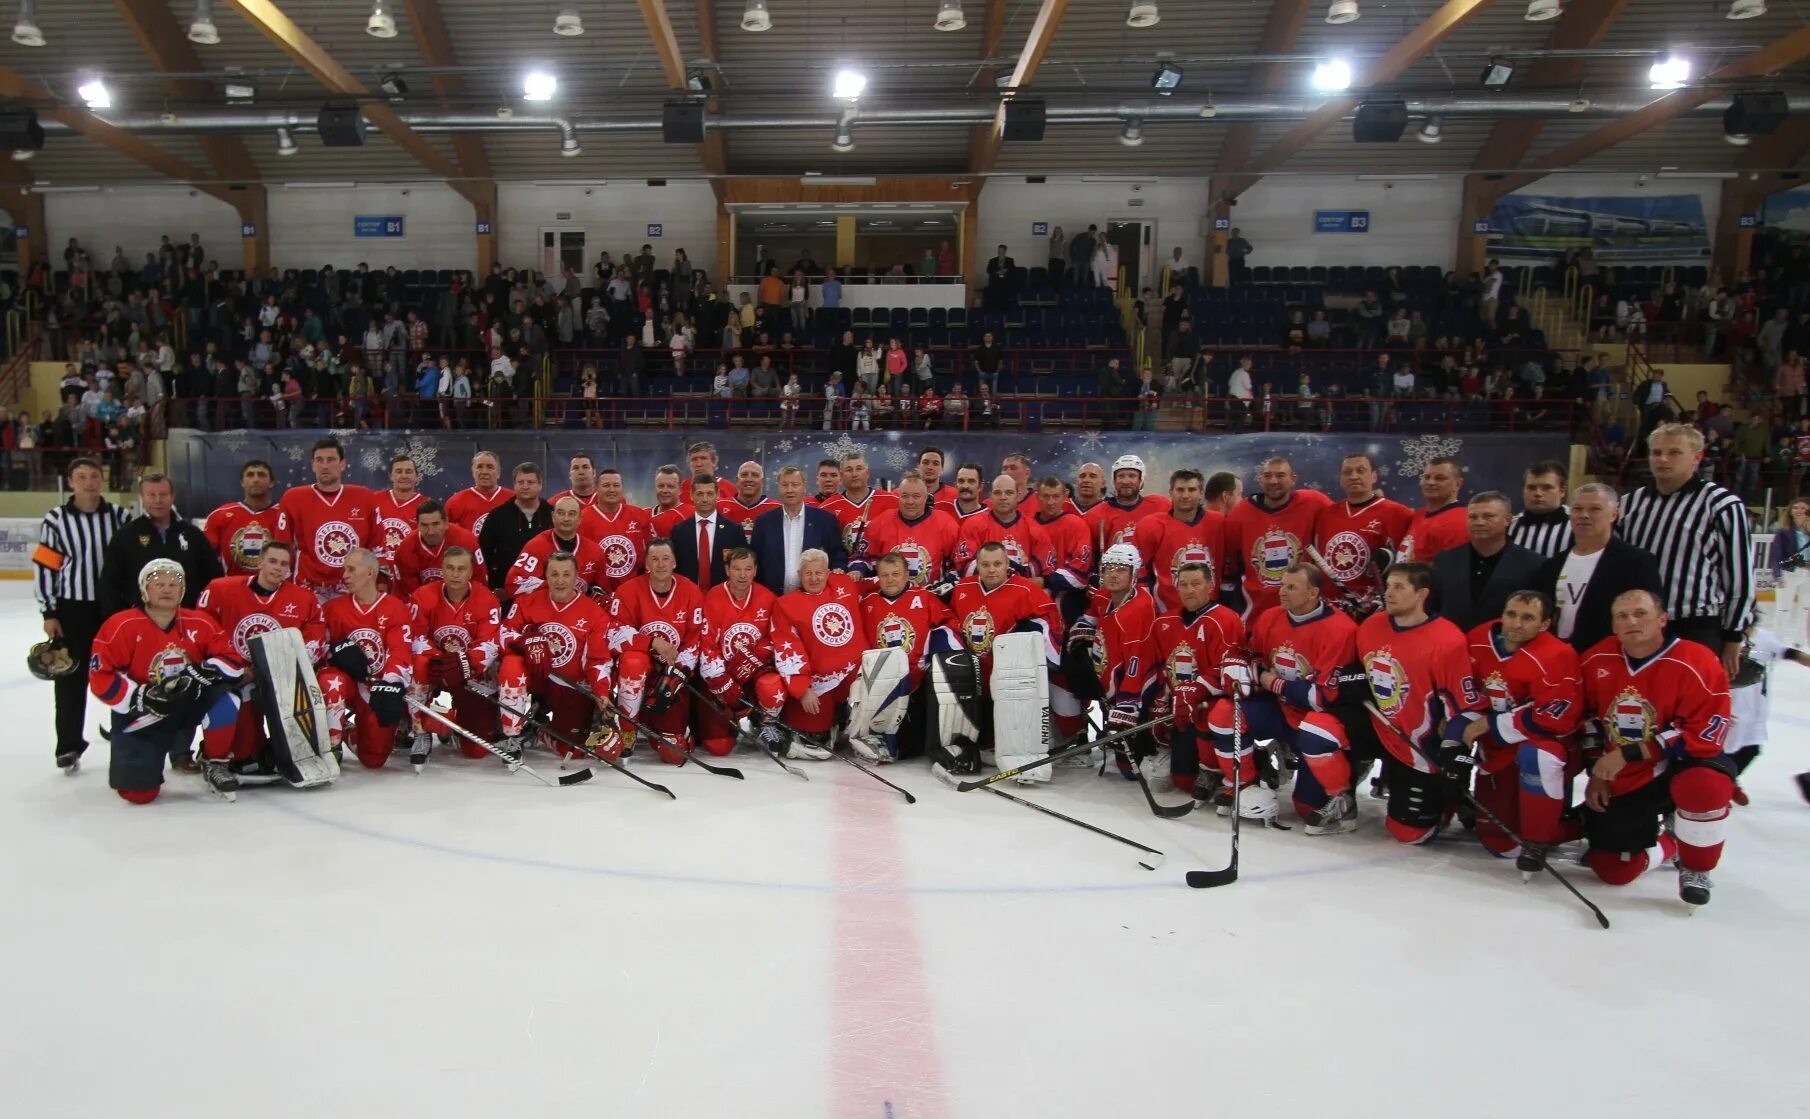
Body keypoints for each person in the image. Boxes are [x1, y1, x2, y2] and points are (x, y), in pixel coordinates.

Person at [1577, 589, 1734, 908]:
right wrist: (1597, 769)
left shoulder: (1697, 660)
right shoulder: (1596, 658)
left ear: (1662, 619)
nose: (1631, 621)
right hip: (1626, 772)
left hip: (1684, 761)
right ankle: (1672, 841)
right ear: (1613, 626)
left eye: (1640, 613)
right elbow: (1587, 717)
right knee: (1612, 870)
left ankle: (1696, 866)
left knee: (1703, 786)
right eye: (1622, 616)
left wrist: (1628, 753)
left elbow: (1704, 731)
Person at [88, 558, 247, 803]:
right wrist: (140, 697)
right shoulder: (121, 625)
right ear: (144, 590)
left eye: (174, 584)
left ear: (182, 591)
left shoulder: (200, 621)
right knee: (138, 794)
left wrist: (199, 674)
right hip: (142, 712)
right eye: (159, 583)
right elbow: (100, 675)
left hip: (187, 702)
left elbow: (233, 660)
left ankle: (215, 762)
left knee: (226, 698)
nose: (167, 589)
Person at [1356, 562, 1483, 845]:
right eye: (1388, 586)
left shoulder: (1447, 640)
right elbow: (1356, 671)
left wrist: (1455, 751)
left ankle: (1446, 800)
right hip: (1378, 726)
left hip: (1417, 745)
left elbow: (1463, 706)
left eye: (1399, 587)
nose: (1389, 593)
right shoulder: (1371, 626)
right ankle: (1337, 791)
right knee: (1323, 727)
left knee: (1410, 834)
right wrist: (1352, 681)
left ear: (1421, 594)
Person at [1616, 423, 1753, 677]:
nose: (1663, 459)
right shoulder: (1629, 504)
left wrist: (1734, 636)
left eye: (1674, 452)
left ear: (1696, 457)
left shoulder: (1722, 505)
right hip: (1637, 626)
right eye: (1656, 453)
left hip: (1694, 627)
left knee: (1693, 709)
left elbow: (1739, 577)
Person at [1459, 591, 1584, 869]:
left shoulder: (1558, 655)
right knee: (1498, 839)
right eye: (1511, 614)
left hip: (1545, 743)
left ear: (1544, 624)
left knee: (1537, 756)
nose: (1516, 623)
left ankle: (1553, 834)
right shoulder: (1478, 639)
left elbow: (1555, 716)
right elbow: (1462, 686)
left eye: (1527, 618)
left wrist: (1489, 723)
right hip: (1496, 748)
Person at [1244, 564, 1364, 833]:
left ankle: (1342, 787)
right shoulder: (1270, 617)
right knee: (1227, 713)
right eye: (1282, 585)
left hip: (1317, 723)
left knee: (1305, 809)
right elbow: (1253, 661)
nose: (1282, 592)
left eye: (1291, 587)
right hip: (1280, 710)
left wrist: (1272, 681)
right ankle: (1246, 782)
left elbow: (1319, 698)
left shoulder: (1340, 630)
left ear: (1313, 593)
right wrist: (1256, 673)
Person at [195, 540, 328, 772]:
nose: (278, 568)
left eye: (284, 564)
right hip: (238, 677)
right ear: (260, 562)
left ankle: (291, 750)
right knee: (244, 754)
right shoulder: (220, 589)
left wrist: (289, 666)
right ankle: (219, 748)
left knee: (296, 725)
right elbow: (202, 631)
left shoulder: (303, 599)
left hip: (282, 678)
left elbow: (315, 638)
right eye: (272, 561)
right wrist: (232, 668)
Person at [37, 457, 133, 774]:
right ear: (70, 482)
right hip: (73, 608)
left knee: (126, 674)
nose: (89, 481)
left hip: (114, 609)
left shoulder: (120, 517)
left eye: (94, 476)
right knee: (70, 677)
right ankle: (68, 746)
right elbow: (46, 567)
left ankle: (128, 734)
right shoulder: (55, 520)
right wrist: (49, 610)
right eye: (82, 476)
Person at [495, 551, 612, 759]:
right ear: (545, 576)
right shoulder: (526, 602)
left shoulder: (595, 613)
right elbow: (504, 633)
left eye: (566, 575)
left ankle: (539, 729)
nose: (559, 581)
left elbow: (598, 659)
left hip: (568, 683)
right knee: (511, 664)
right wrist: (526, 642)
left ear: (577, 577)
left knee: (572, 751)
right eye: (554, 574)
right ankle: (512, 736)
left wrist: (601, 692)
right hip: (534, 675)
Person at [597, 539, 705, 762]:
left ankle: (657, 725)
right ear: (646, 563)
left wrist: (679, 671)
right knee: (633, 661)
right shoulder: (628, 591)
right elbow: (613, 633)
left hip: (671, 673)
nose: (661, 564)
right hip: (639, 668)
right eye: (654, 559)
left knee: (673, 753)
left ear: (674, 562)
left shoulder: (691, 592)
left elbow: (694, 640)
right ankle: (628, 728)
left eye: (666, 558)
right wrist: (652, 642)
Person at [1535, 483, 1663, 654]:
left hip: (1611, 657)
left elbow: (1649, 618)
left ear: (1614, 514)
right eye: (1577, 509)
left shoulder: (1636, 562)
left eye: (1595, 509)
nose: (1584, 515)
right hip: (1557, 657)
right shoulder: (1551, 565)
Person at [402, 546, 501, 766]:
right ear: (442, 571)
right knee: (417, 664)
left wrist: (463, 662)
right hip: (435, 668)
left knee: (476, 751)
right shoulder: (422, 596)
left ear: (470, 572)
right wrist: (441, 659)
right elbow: (414, 637)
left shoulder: (487, 600)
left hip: (471, 672)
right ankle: (420, 731)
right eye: (450, 568)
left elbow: (490, 643)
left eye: (461, 569)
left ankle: (452, 722)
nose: (455, 574)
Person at [316, 549, 414, 770]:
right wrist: (335, 652)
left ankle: (350, 731)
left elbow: (401, 650)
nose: (345, 575)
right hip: (347, 683)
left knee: (374, 760)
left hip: (376, 687)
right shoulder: (333, 609)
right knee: (333, 683)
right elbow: (318, 647)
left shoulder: (395, 608)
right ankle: (331, 746)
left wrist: (390, 683)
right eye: (344, 569)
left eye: (351, 569)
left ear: (370, 572)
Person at [1070, 545, 1163, 777]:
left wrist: (1127, 703)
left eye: (1121, 569)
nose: (1113, 574)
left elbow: (1136, 661)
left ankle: (1153, 752)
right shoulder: (1104, 595)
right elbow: (1090, 617)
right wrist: (1082, 635)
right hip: (1111, 669)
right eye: (1108, 568)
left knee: (1130, 769)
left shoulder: (1138, 610)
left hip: (1139, 681)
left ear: (1134, 574)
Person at [768, 549, 870, 758]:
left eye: (819, 573)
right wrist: (802, 688)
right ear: (799, 574)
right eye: (808, 574)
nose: (814, 579)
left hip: (855, 672)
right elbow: (787, 649)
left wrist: (857, 572)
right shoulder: (786, 605)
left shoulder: (844, 585)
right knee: (817, 742)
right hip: (819, 683)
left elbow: (880, 584)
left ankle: (853, 722)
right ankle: (828, 723)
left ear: (828, 573)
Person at [696, 547, 788, 757]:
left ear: (755, 570)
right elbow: (707, 642)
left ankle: (766, 722)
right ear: (727, 570)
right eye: (737, 569)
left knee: (772, 686)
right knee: (718, 746)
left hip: (756, 670)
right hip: (723, 676)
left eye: (748, 569)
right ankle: (731, 717)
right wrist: (721, 679)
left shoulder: (767, 597)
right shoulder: (714, 596)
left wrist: (752, 658)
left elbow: (776, 637)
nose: (742, 574)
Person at [1224, 455, 1333, 620]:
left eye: (1280, 475)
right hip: (1256, 615)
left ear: (1293, 479)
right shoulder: (1239, 515)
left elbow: (1343, 516)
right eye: (1267, 476)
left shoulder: (1314, 503)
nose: (1273, 481)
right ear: (1261, 480)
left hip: (1303, 611)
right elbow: (1231, 562)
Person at [100, 471, 221, 617]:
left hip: (186, 619)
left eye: (163, 494)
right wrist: (118, 619)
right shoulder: (125, 536)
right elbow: (110, 585)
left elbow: (213, 580)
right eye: (151, 495)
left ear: (172, 496)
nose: (158, 500)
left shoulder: (192, 535)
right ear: (141, 497)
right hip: (140, 621)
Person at [1428, 492, 1545, 633]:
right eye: (1473, 517)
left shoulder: (1533, 564)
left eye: (1488, 516)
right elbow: (1432, 607)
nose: (1479, 522)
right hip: (1450, 643)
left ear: (1507, 520)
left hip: (1502, 646)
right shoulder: (1445, 560)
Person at [279, 438, 378, 602]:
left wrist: (375, 585)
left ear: (343, 464)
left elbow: (377, 546)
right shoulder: (293, 498)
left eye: (331, 460)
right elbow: (282, 545)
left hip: (353, 590)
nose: (324, 466)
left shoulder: (365, 497)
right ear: (312, 465)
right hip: (308, 589)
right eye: (319, 460)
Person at [1313, 451, 1411, 609]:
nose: (1353, 476)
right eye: (1347, 472)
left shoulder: (1398, 514)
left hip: (1373, 609)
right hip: (1330, 608)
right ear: (1341, 479)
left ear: (1374, 476)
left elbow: (1406, 565)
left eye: (1361, 470)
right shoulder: (1327, 514)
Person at [1132, 468, 1229, 614]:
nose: (1185, 495)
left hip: (1210, 611)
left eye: (1191, 490)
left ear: (1201, 493)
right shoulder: (1152, 526)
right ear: (1171, 493)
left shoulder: (1219, 523)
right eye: (1180, 490)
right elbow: (1140, 573)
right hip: (1167, 613)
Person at [750, 466, 847, 597]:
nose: (789, 490)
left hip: (814, 600)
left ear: (804, 486)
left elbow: (837, 557)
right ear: (778, 487)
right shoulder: (763, 523)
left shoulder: (825, 520)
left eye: (795, 485)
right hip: (772, 599)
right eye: (785, 485)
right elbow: (755, 562)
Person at [850, 474, 960, 589]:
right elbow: (861, 557)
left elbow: (957, 565)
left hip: (930, 598)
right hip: (889, 597)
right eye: (905, 496)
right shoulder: (881, 522)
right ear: (898, 497)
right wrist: (858, 571)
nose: (910, 501)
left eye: (916, 496)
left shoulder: (946, 524)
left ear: (926, 497)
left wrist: (944, 588)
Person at [506, 496, 608, 599]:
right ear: (553, 516)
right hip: (544, 610)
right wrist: (553, 585)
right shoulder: (536, 546)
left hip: (579, 612)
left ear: (579, 519)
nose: (566, 518)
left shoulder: (595, 551)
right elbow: (513, 584)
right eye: (561, 513)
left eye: (571, 514)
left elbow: (604, 592)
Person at [953, 474, 1054, 578]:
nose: (1003, 497)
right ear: (991, 496)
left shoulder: (1035, 529)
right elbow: (964, 566)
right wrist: (1010, 572)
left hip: (1020, 591)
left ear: (1017, 495)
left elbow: (1044, 570)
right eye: (997, 493)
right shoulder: (973, 525)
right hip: (983, 590)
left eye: (1009, 493)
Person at [203, 459, 292, 575]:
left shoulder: (285, 515)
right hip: (232, 587)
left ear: (271, 483)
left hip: (275, 587)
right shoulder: (220, 515)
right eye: (250, 475)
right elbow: (203, 556)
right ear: (242, 482)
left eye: (261, 475)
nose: (255, 480)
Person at [477, 463, 553, 597]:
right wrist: (495, 587)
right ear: (514, 484)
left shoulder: (553, 514)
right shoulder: (497, 516)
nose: (525, 486)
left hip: (546, 591)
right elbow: (484, 555)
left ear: (540, 485)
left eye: (530, 482)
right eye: (520, 482)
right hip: (506, 593)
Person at [393, 499, 486, 598]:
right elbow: (409, 595)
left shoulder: (466, 541)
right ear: (418, 525)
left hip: (464, 601)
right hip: (426, 604)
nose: (431, 532)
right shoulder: (406, 550)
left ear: (446, 523)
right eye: (424, 525)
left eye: (436, 524)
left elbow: (479, 582)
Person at [671, 473, 748, 591]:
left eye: (710, 493)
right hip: (688, 596)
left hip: (723, 597)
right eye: (700, 494)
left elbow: (742, 566)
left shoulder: (734, 531)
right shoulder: (678, 532)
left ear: (717, 495)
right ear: (692, 495)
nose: (705, 499)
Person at [1083, 453, 1172, 554]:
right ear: (1114, 481)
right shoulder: (1095, 515)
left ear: (1140, 480)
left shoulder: (1160, 505)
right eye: (1121, 476)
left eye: (1132, 476)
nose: (1126, 481)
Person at [1398, 455, 1467, 562]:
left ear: (1458, 484)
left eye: (1440, 478)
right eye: (1426, 477)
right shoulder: (1419, 514)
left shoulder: (1461, 521)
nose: (1431, 482)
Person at [1508, 459, 1573, 559]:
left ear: (1562, 491)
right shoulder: (1509, 526)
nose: (1538, 493)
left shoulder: (1576, 526)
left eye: (1546, 488)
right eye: (1531, 487)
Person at [373, 454, 427, 573]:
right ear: (391, 476)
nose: (404, 476)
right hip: (377, 572)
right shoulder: (374, 500)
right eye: (399, 471)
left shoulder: (426, 505)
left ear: (416, 476)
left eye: (408, 471)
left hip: (410, 573)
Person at [444, 451, 511, 537]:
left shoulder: (514, 500)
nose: (484, 471)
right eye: (479, 467)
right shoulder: (455, 502)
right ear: (473, 471)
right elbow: (446, 536)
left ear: (498, 473)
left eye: (490, 467)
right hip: (468, 550)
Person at [723, 461, 781, 538]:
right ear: (737, 480)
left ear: (762, 481)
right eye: (744, 475)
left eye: (755, 475)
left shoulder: (777, 508)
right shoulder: (719, 506)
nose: (749, 479)